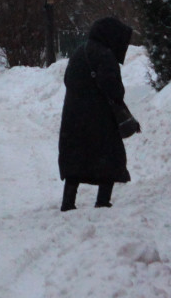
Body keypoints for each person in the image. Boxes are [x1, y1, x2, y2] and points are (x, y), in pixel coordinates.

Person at [57, 17, 139, 211]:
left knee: (75, 159)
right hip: (100, 118)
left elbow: (68, 80)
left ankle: (68, 202)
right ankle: (103, 201)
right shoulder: (105, 55)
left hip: (73, 116)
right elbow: (114, 90)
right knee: (108, 157)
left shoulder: (80, 51)